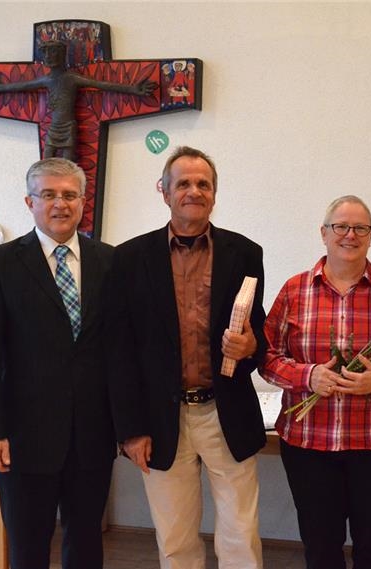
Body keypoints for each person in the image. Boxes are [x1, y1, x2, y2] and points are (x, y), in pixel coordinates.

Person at [105, 146, 266, 569]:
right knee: (174, 538)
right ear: (165, 192)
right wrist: (130, 429)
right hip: (160, 418)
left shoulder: (246, 253)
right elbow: (118, 352)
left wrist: (251, 348)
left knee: (240, 535)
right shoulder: (129, 258)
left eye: (203, 184)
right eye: (184, 183)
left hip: (225, 410)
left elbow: (257, 332)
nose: (194, 191)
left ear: (214, 193)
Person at [0, 157, 115, 569]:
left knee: (86, 543)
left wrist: (128, 424)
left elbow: (119, 349)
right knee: (29, 549)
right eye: (48, 194)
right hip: (22, 439)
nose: (59, 203)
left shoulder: (110, 261)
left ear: (83, 202)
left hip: (91, 434)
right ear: (29, 201)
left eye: (69, 195)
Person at [260, 195, 371, 569]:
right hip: (309, 445)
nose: (350, 234)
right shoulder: (294, 291)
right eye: (340, 227)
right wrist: (307, 376)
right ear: (324, 233)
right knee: (321, 549)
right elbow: (264, 357)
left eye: (359, 228)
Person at [0, 40, 155, 160]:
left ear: (62, 55)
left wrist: (131, 89)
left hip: (68, 128)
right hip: (54, 129)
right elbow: (21, 86)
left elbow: (101, 84)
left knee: (68, 170)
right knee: (46, 167)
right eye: (46, 53)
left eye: (53, 52)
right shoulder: (46, 80)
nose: (48, 56)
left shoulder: (71, 78)